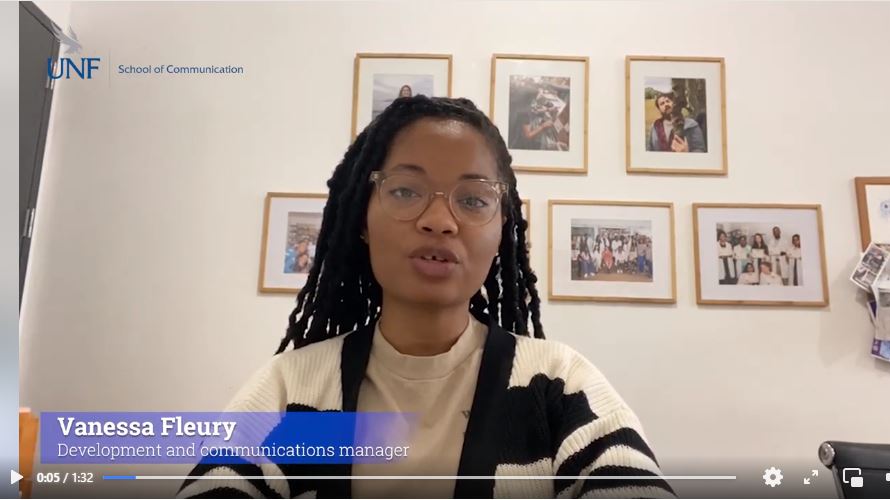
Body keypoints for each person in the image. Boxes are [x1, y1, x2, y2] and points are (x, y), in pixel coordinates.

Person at [177, 96, 672, 500]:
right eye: (406, 191)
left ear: (503, 230)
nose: (439, 220)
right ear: (363, 221)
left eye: (474, 199)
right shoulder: (294, 390)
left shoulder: (557, 384)